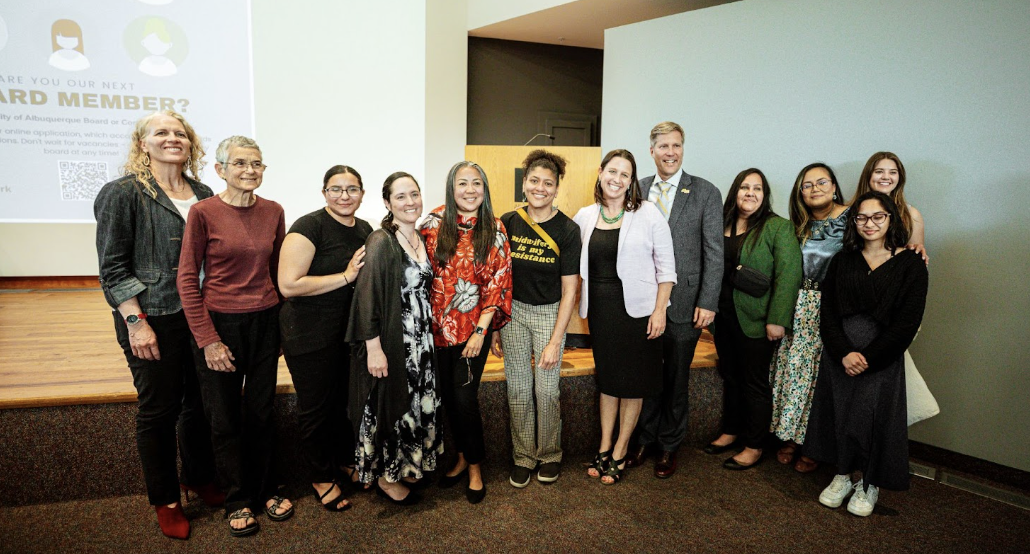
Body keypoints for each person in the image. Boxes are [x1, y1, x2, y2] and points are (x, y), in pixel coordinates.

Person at [94, 110, 220, 540]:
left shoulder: (203, 192)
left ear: (191, 144)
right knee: (159, 410)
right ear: (142, 144)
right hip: (152, 318)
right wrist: (135, 322)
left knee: (200, 405)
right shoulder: (122, 193)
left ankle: (199, 477)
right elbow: (112, 268)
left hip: (199, 315)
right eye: (161, 132)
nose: (172, 138)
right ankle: (166, 499)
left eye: (180, 133)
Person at [176, 136, 291, 537]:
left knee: (260, 414)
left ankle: (265, 490)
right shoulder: (203, 212)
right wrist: (208, 339)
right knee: (223, 419)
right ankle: (238, 499)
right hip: (219, 325)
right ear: (220, 169)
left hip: (264, 323)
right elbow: (187, 279)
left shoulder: (274, 211)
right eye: (240, 163)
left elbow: (277, 272)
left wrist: (279, 331)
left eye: (257, 163)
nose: (250, 170)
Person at [805, 191, 928, 517]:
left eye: (877, 217)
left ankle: (869, 483)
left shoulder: (912, 264)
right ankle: (842, 475)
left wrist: (869, 357)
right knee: (842, 416)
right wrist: (844, 352)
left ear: (890, 219)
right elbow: (827, 313)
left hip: (882, 357)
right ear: (854, 222)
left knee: (873, 420)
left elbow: (907, 322)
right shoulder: (843, 260)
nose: (869, 223)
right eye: (861, 217)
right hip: (840, 355)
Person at [574, 149, 676, 485]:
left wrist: (660, 310)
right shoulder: (585, 216)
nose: (616, 179)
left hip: (639, 312)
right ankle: (603, 445)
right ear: (601, 173)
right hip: (601, 313)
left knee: (632, 385)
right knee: (609, 381)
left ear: (631, 181)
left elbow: (667, 269)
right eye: (612, 171)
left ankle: (620, 450)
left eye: (625, 174)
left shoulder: (648, 214)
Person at [629, 121, 723, 479]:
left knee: (677, 379)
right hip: (643, 305)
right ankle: (645, 439)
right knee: (648, 376)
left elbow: (714, 253)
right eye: (664, 146)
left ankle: (669, 445)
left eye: (676, 146)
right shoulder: (636, 190)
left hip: (686, 304)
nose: (671, 152)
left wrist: (708, 301)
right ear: (651, 151)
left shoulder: (705, 192)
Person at [278, 165, 372, 511]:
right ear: (324, 193)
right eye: (336, 189)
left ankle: (345, 460)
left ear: (362, 193)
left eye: (351, 189)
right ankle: (320, 476)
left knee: (341, 406)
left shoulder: (364, 229)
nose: (344, 196)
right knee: (316, 408)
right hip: (308, 334)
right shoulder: (309, 226)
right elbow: (289, 285)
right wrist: (346, 276)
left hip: (345, 335)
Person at [420, 161, 512, 504]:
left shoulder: (495, 227)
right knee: (446, 398)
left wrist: (479, 332)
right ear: (451, 187)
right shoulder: (432, 222)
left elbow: (498, 285)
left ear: (484, 189)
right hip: (435, 331)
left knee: (464, 398)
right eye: (463, 183)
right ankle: (459, 456)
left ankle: (474, 466)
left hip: (474, 330)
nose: (470, 190)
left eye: (477, 183)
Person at [347, 172, 441, 506]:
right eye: (400, 196)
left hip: (421, 344)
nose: (410, 202)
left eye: (414, 194)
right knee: (392, 408)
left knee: (415, 407)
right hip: (393, 344)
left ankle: (408, 467)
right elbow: (367, 297)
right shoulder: (381, 240)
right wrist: (374, 349)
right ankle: (388, 478)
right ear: (387, 203)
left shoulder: (421, 239)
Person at [492, 150, 582, 488]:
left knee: (546, 390)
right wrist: (498, 326)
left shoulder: (568, 229)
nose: (540, 188)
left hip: (549, 315)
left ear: (556, 188)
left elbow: (570, 290)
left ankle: (549, 454)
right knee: (517, 387)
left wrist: (557, 339)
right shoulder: (508, 222)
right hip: (513, 313)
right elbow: (499, 279)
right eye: (534, 181)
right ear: (524, 184)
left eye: (548, 183)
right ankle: (523, 456)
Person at [708, 169, 802, 470]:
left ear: (765, 195)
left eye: (757, 188)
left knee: (754, 382)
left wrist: (778, 319)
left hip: (757, 320)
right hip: (723, 316)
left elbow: (788, 276)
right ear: (735, 192)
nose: (750, 193)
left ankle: (754, 444)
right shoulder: (721, 225)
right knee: (731, 376)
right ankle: (731, 431)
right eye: (745, 187)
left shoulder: (777, 227)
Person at [768, 163, 849, 473]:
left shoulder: (853, 219)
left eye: (821, 182)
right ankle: (789, 437)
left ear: (834, 186)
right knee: (793, 374)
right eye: (807, 185)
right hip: (797, 305)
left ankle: (814, 442)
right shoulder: (796, 225)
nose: (815, 188)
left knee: (821, 378)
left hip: (832, 309)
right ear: (799, 192)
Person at [850, 152, 927, 259]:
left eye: (893, 172)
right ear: (868, 175)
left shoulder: (911, 214)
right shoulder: (849, 211)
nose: (886, 177)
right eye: (879, 171)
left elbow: (917, 256)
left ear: (900, 177)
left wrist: (913, 249)